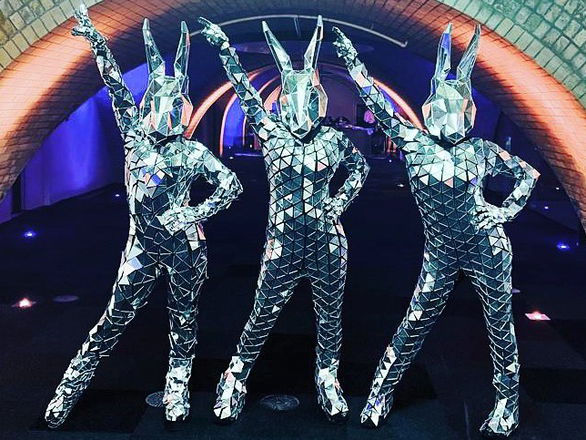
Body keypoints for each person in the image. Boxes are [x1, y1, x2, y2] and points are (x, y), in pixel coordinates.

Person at [334, 24, 539, 437]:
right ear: (430, 108)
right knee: (415, 321)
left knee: (499, 324)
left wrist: (502, 213)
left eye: (458, 107)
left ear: (468, 110)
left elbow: (527, 175)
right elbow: (378, 104)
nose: (450, 116)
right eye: (443, 107)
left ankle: (507, 404)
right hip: (441, 251)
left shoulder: (480, 151)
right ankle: (379, 395)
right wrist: (353, 65)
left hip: (486, 246)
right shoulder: (415, 143)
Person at [45, 4, 242, 428]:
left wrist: (193, 212)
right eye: (160, 100)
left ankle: (177, 386)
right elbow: (117, 87)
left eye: (175, 102)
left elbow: (231, 185)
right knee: (113, 318)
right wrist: (98, 44)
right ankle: (70, 386)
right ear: (151, 102)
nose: (167, 110)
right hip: (142, 246)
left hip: (185, 247)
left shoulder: (192, 152)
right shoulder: (135, 138)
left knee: (184, 318)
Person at [199, 16, 369, 424]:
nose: (300, 106)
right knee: (263, 313)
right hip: (283, 242)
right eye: (293, 98)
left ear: (318, 100)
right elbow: (245, 92)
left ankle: (327, 377)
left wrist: (339, 201)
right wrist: (224, 49)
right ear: (282, 101)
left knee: (330, 315)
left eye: (308, 98)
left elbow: (360, 167)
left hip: (328, 241)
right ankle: (235, 377)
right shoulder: (272, 134)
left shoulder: (334, 140)